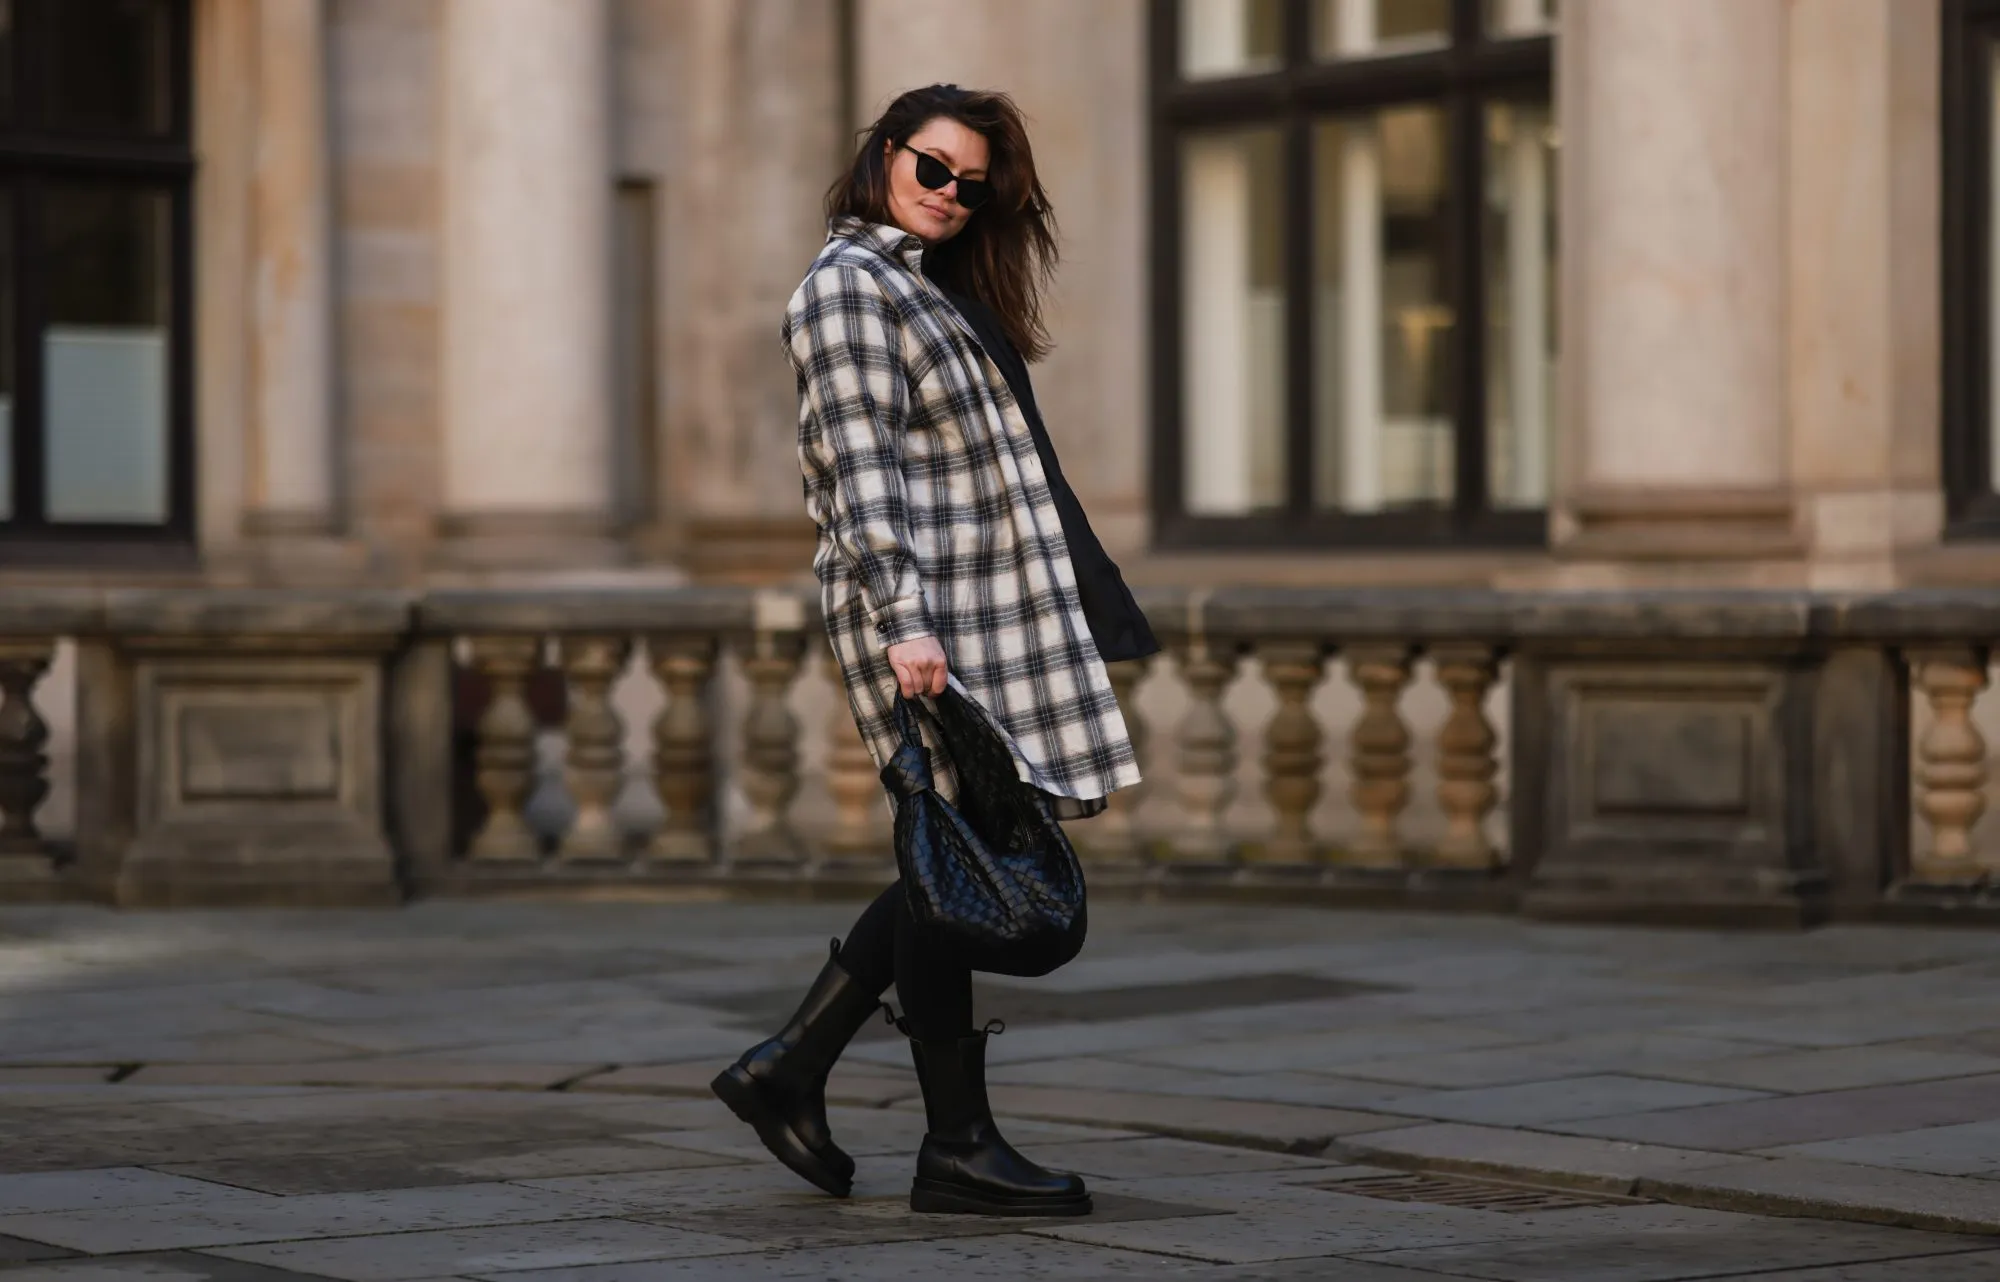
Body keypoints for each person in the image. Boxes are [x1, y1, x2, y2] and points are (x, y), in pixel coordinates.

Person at [711, 84, 1158, 1218]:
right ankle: (946, 1140)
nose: (950, 197)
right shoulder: (849, 290)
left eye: (972, 185)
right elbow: (862, 472)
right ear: (882, 157)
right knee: (954, 850)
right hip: (927, 621)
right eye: (932, 170)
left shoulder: (924, 289)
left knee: (949, 851)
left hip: (981, 613)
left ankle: (798, 1070)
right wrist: (906, 620)